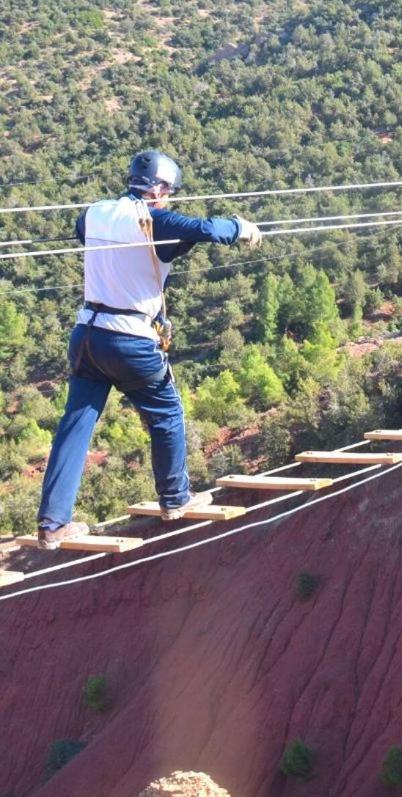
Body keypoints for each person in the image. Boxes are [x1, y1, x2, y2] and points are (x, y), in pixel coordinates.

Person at [35, 150, 264, 549]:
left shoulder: (94, 213)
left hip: (87, 335)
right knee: (167, 415)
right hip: (129, 339)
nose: (169, 197)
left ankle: (53, 524)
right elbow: (206, 229)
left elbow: (88, 234)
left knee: (75, 425)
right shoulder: (154, 220)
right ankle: (175, 499)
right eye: (169, 191)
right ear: (158, 188)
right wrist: (241, 227)